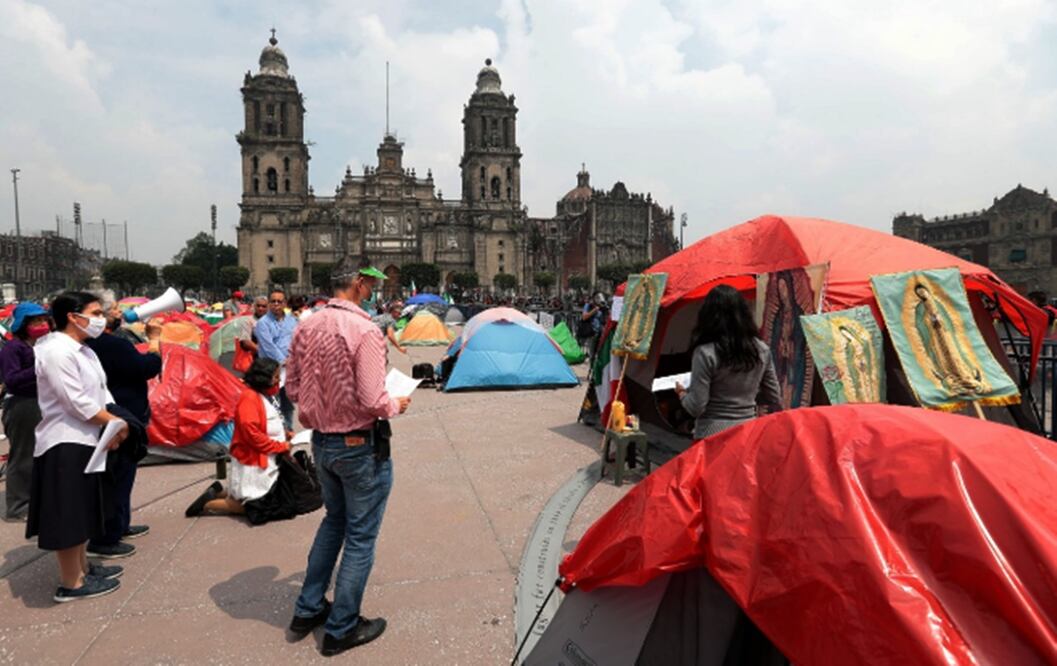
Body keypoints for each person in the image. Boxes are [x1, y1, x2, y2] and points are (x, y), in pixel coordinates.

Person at [285, 257, 411, 657]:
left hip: (321, 443)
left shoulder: (305, 326)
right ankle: (341, 627)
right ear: (357, 283)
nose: (373, 290)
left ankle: (308, 608)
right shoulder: (366, 330)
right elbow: (375, 400)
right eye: (370, 283)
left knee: (333, 523)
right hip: (360, 446)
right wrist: (397, 402)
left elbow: (291, 390)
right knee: (360, 537)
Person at [27, 291, 129, 602]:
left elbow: (100, 389)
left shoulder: (82, 349)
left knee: (83, 509)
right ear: (73, 316)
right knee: (68, 513)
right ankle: (71, 582)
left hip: (86, 438)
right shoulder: (57, 351)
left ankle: (83, 566)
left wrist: (114, 419)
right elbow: (75, 401)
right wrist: (113, 422)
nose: (101, 319)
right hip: (64, 441)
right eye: (96, 312)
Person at [83, 301, 163, 559]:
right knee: (117, 479)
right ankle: (107, 538)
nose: (119, 314)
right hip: (120, 419)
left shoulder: (92, 345)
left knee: (118, 478)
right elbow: (148, 368)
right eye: (110, 311)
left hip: (111, 417)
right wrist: (154, 341)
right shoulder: (114, 344)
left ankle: (120, 525)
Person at [184, 357, 292, 519]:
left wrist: (284, 435)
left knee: (268, 497)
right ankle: (208, 504)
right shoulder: (249, 398)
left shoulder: (261, 395)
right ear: (263, 378)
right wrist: (280, 447)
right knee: (259, 507)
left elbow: (264, 425)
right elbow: (252, 434)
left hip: (263, 459)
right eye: (275, 377)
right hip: (254, 461)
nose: (278, 380)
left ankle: (219, 492)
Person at [675, 285, 783, 439]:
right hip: (748, 433)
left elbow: (696, 407)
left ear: (707, 316)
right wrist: (746, 400)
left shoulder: (705, 353)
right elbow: (774, 396)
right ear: (744, 314)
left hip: (711, 436)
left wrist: (682, 394)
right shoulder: (761, 350)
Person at [0, 302, 50, 521]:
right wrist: (39, 367)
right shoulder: (13, 348)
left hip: (39, 402)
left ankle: (35, 499)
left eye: (43, 320)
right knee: (22, 456)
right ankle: (18, 507)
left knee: (37, 454)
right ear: (23, 324)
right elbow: (11, 379)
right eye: (36, 321)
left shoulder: (40, 344)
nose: (42, 324)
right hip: (22, 405)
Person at [254, 290, 297, 430]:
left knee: (288, 404)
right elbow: (268, 346)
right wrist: (284, 360)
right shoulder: (262, 323)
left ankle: (288, 432)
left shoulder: (293, 321)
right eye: (273, 301)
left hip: (289, 370)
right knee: (272, 405)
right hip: (271, 369)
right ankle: (275, 434)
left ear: (284, 303)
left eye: (279, 301)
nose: (276, 304)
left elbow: (298, 340)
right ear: (269, 304)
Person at [579, 293, 607, 360]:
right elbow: (584, 317)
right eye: (597, 298)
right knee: (592, 353)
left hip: (601, 332)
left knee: (600, 353)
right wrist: (594, 310)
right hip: (592, 332)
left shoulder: (602, 307)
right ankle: (591, 367)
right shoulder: (588, 305)